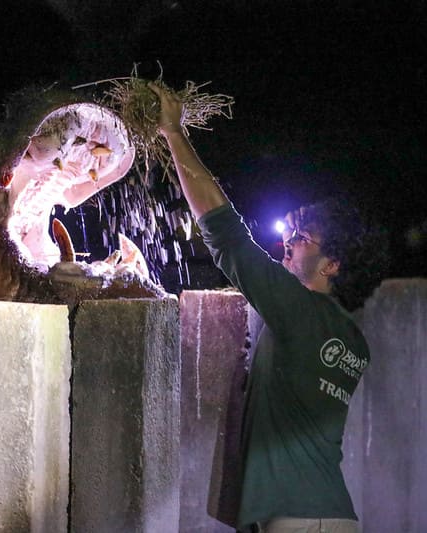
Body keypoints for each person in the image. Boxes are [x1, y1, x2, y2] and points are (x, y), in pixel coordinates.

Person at [149, 83, 387, 533]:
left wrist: (174, 133)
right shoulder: (352, 340)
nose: (287, 244)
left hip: (299, 522)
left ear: (331, 264)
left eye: (300, 238)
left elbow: (226, 234)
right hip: (330, 514)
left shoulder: (298, 312)